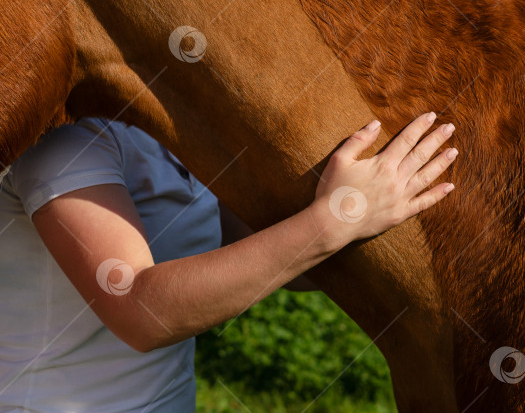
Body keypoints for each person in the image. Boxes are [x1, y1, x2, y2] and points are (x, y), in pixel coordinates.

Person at [0, 112, 457, 411]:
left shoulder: (154, 121)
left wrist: (383, 226)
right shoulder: (59, 143)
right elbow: (138, 310)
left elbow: (245, 251)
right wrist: (333, 221)